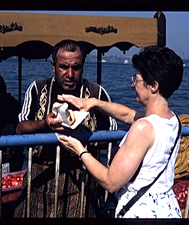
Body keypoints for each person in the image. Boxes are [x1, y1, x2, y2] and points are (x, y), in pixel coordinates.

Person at [56, 46, 184, 218]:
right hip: (166, 208)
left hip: (142, 211)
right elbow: (128, 114)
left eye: (137, 80)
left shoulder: (143, 128)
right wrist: (94, 103)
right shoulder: (173, 120)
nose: (133, 84)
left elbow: (110, 182)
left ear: (153, 86)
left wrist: (79, 150)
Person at [14, 39, 117, 218]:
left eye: (76, 67)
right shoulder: (37, 89)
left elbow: (111, 137)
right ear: (53, 66)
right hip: (41, 176)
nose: (70, 74)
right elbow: (20, 128)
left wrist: (83, 135)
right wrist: (44, 124)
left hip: (82, 180)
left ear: (83, 66)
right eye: (64, 67)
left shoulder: (97, 94)